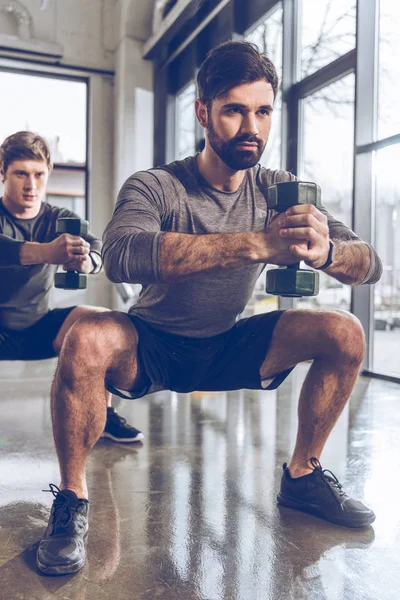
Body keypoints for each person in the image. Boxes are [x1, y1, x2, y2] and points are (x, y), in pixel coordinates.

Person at [36, 40, 382, 576]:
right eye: (235, 110)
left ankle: (303, 477)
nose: (252, 127)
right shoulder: (158, 186)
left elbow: (370, 263)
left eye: (263, 111)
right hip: (150, 343)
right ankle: (73, 501)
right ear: (203, 113)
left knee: (345, 331)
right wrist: (256, 244)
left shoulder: (280, 190)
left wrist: (329, 252)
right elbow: (123, 254)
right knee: (85, 335)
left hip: (226, 343)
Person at [0, 131, 143, 444]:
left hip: (38, 325)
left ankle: (103, 417)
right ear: (2, 173)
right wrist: (47, 252)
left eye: (39, 174)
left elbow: (97, 249)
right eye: (21, 173)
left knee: (105, 323)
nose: (31, 184)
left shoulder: (59, 218)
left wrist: (87, 261)